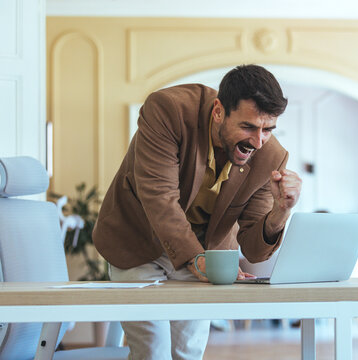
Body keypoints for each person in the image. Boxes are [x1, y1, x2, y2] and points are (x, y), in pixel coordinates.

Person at [92, 64, 302, 360]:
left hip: (204, 252)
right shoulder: (167, 110)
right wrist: (199, 261)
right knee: (152, 351)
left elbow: (254, 249)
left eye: (268, 129)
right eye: (248, 127)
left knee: (188, 352)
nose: (258, 141)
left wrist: (282, 211)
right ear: (219, 111)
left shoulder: (271, 156)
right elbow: (160, 197)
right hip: (139, 241)